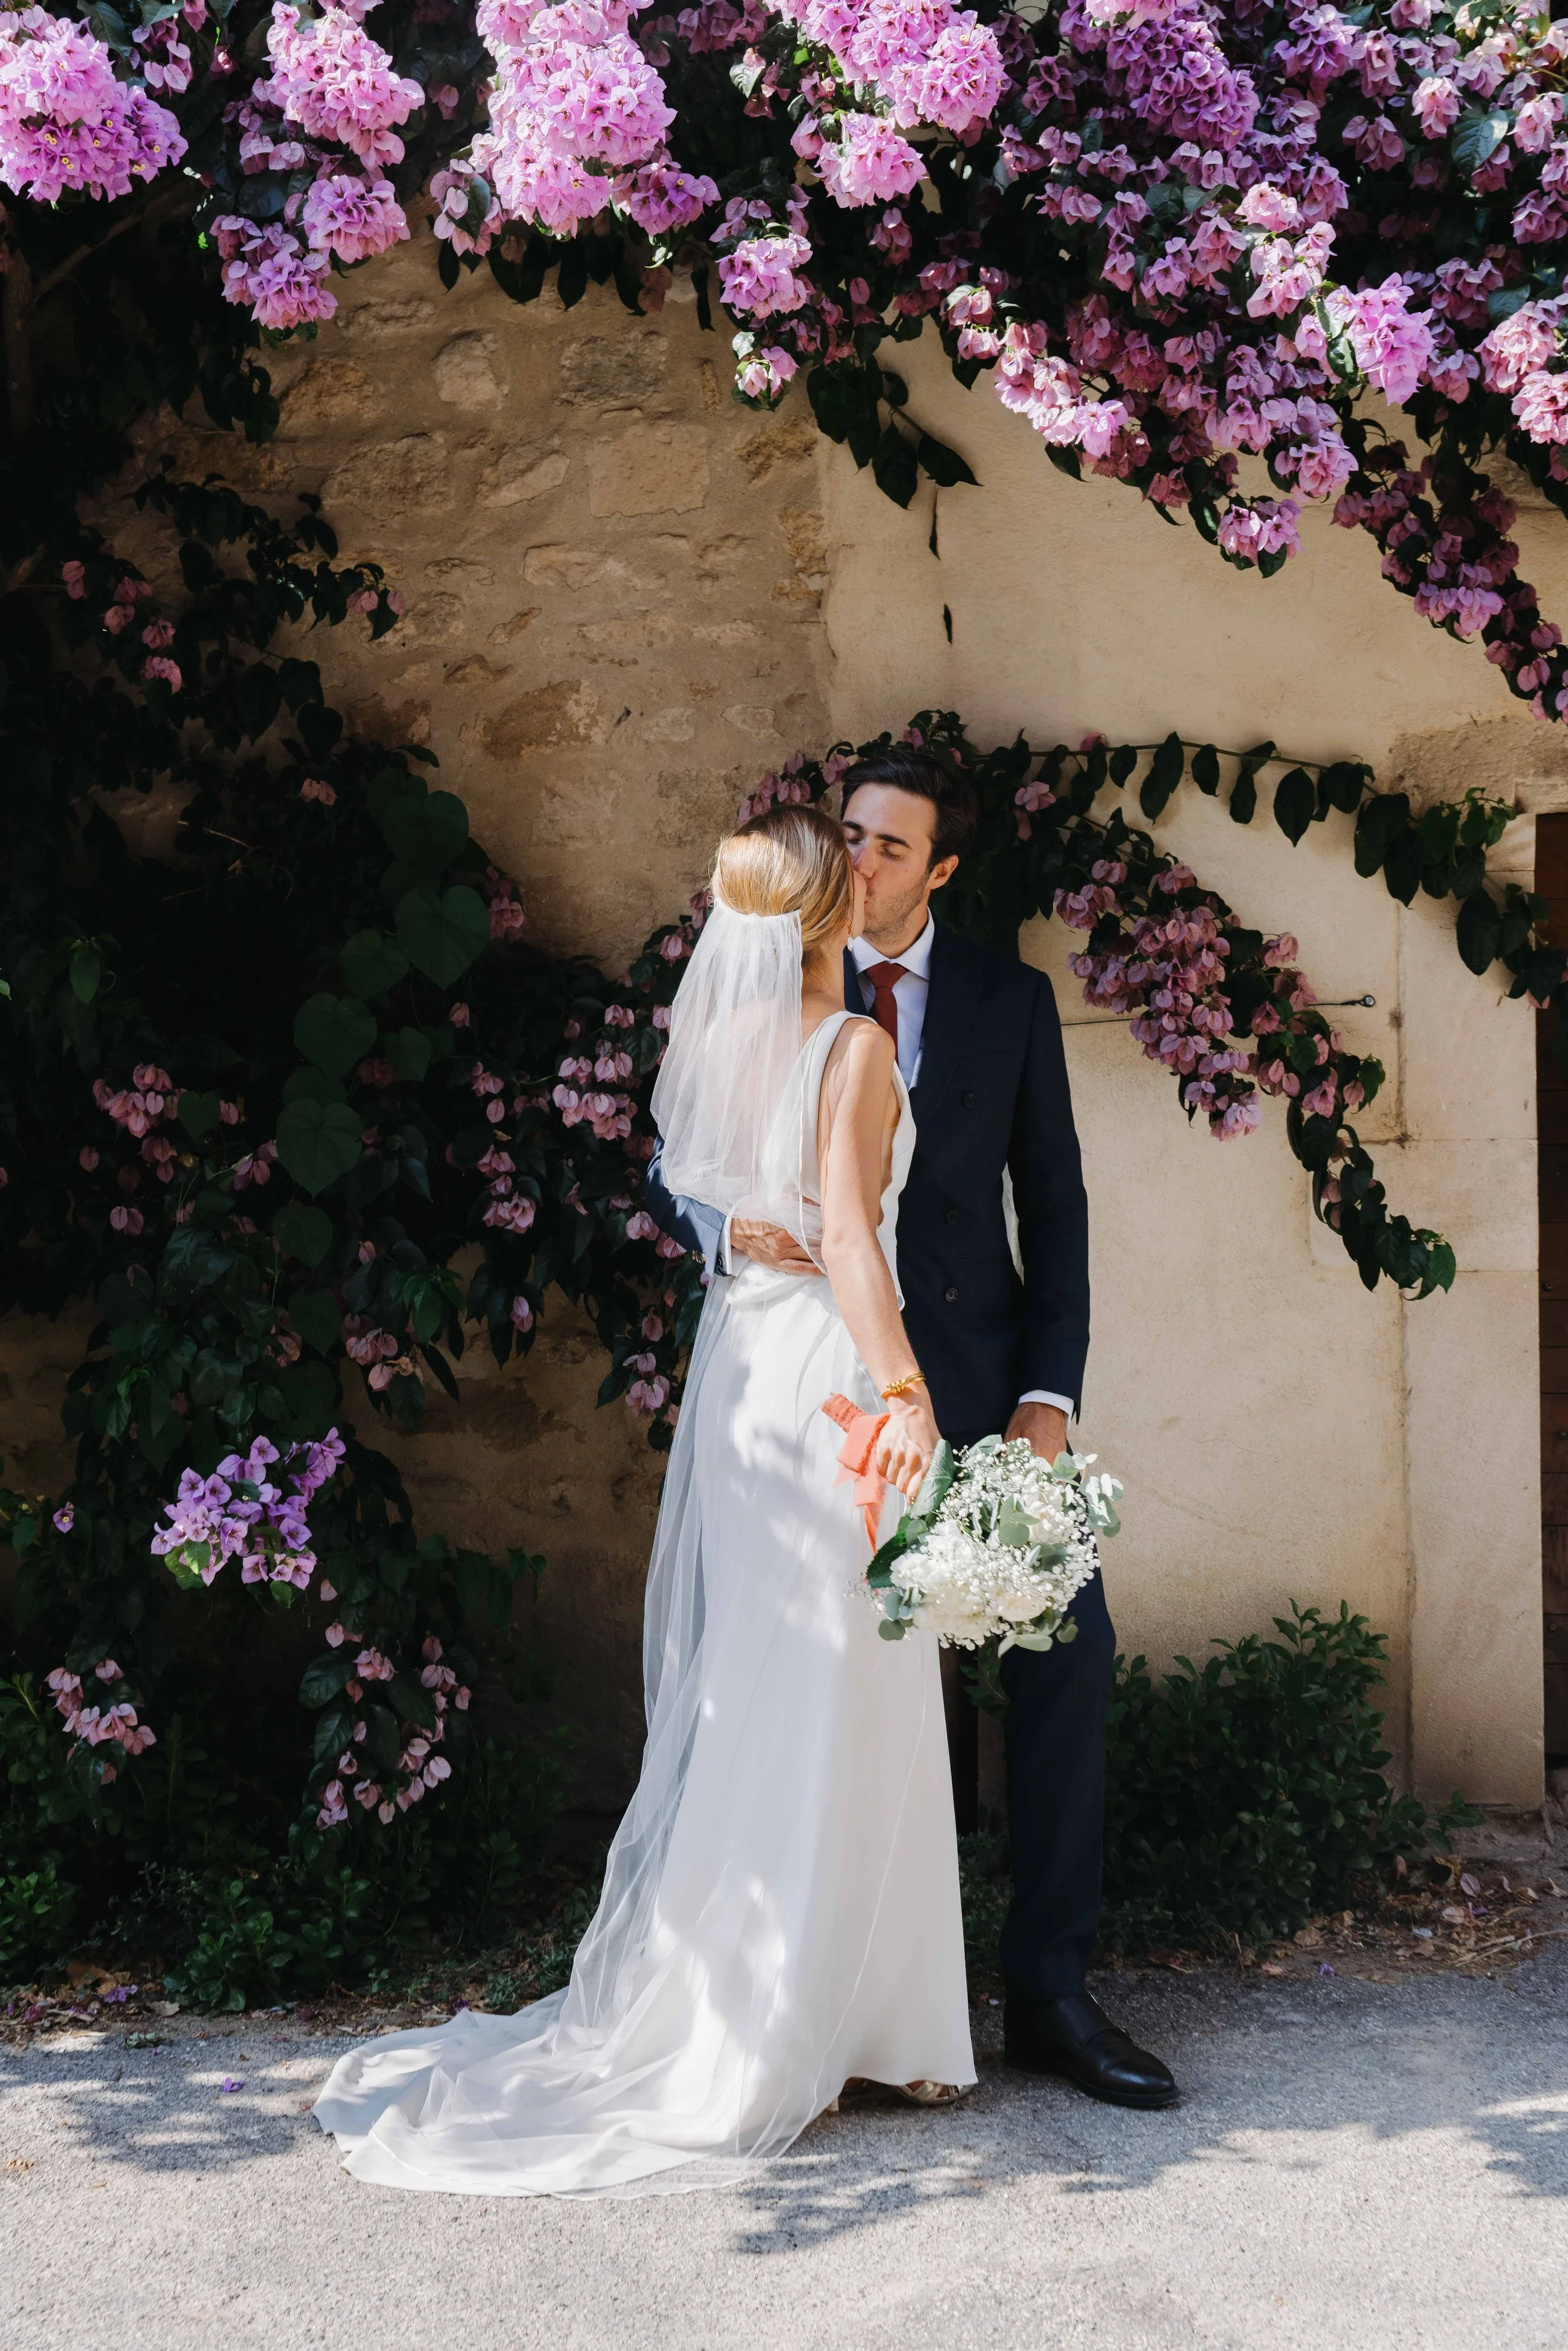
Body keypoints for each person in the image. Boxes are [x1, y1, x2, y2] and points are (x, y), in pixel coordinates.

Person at [314, 804, 975, 2196]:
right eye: (847, 863)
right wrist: (906, 1390)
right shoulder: (851, 1046)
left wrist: (738, 1230)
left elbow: (692, 1177)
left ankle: (809, 2006)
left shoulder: (718, 1043)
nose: (868, 874)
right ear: (815, 914)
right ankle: (852, 2022)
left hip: (741, 1365)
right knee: (845, 1675)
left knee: (770, 1674)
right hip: (822, 1369)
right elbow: (853, 1234)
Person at [645, 748, 1178, 2112]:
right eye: (854, 839)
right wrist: (742, 1236)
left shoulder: (1006, 1001)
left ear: (937, 868)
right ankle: (873, 1995)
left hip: (988, 1408)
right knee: (866, 1695)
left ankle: (1049, 1993)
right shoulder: (776, 1007)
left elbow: (1049, 1212)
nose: (866, 861)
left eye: (892, 846)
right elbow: (703, 1162)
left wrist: (1045, 1405)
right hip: (836, 1395)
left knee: (1068, 1655)